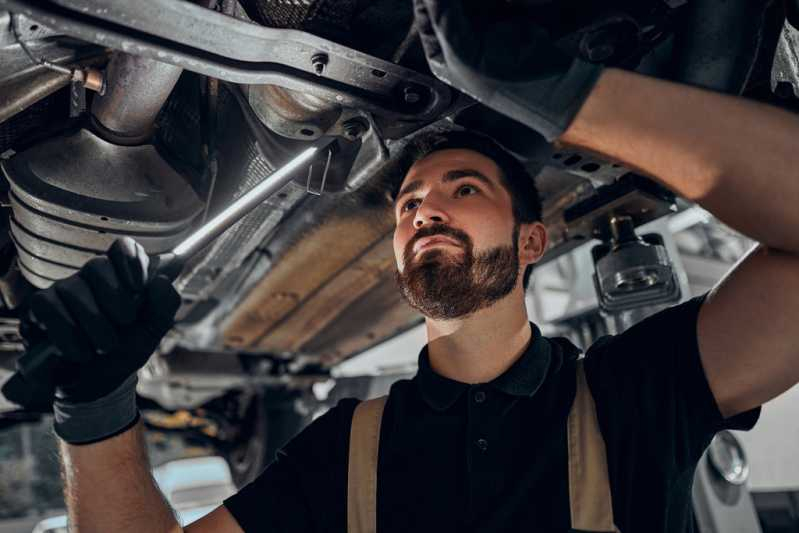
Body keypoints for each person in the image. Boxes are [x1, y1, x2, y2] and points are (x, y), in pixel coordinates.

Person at [15, 2, 799, 532]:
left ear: (532, 241)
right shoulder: (341, 454)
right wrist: (97, 409)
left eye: (463, 188)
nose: (424, 207)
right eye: (410, 201)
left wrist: (567, 97)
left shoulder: (641, 393)